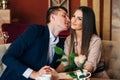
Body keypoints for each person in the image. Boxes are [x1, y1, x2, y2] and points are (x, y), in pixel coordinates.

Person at [0, 6, 70, 80]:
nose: (68, 20)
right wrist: (34, 74)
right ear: (52, 17)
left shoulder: (61, 44)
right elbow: (7, 57)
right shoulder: (35, 31)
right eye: (64, 16)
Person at [56, 6, 109, 78]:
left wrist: (60, 76)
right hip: (77, 76)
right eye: (74, 16)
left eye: (79, 19)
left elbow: (89, 69)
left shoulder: (95, 41)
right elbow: (65, 62)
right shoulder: (69, 39)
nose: (73, 20)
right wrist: (53, 73)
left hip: (96, 77)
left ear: (87, 22)